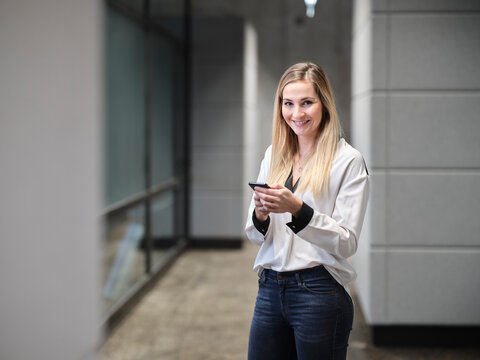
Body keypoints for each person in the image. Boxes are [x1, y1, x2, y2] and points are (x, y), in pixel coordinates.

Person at [245, 62, 370, 360]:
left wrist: (299, 210)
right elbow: (253, 235)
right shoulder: (274, 155)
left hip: (319, 291)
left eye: (307, 103)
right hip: (270, 289)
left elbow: (347, 241)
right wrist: (260, 214)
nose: (296, 114)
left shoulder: (348, 161)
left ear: (324, 104)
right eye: (288, 103)